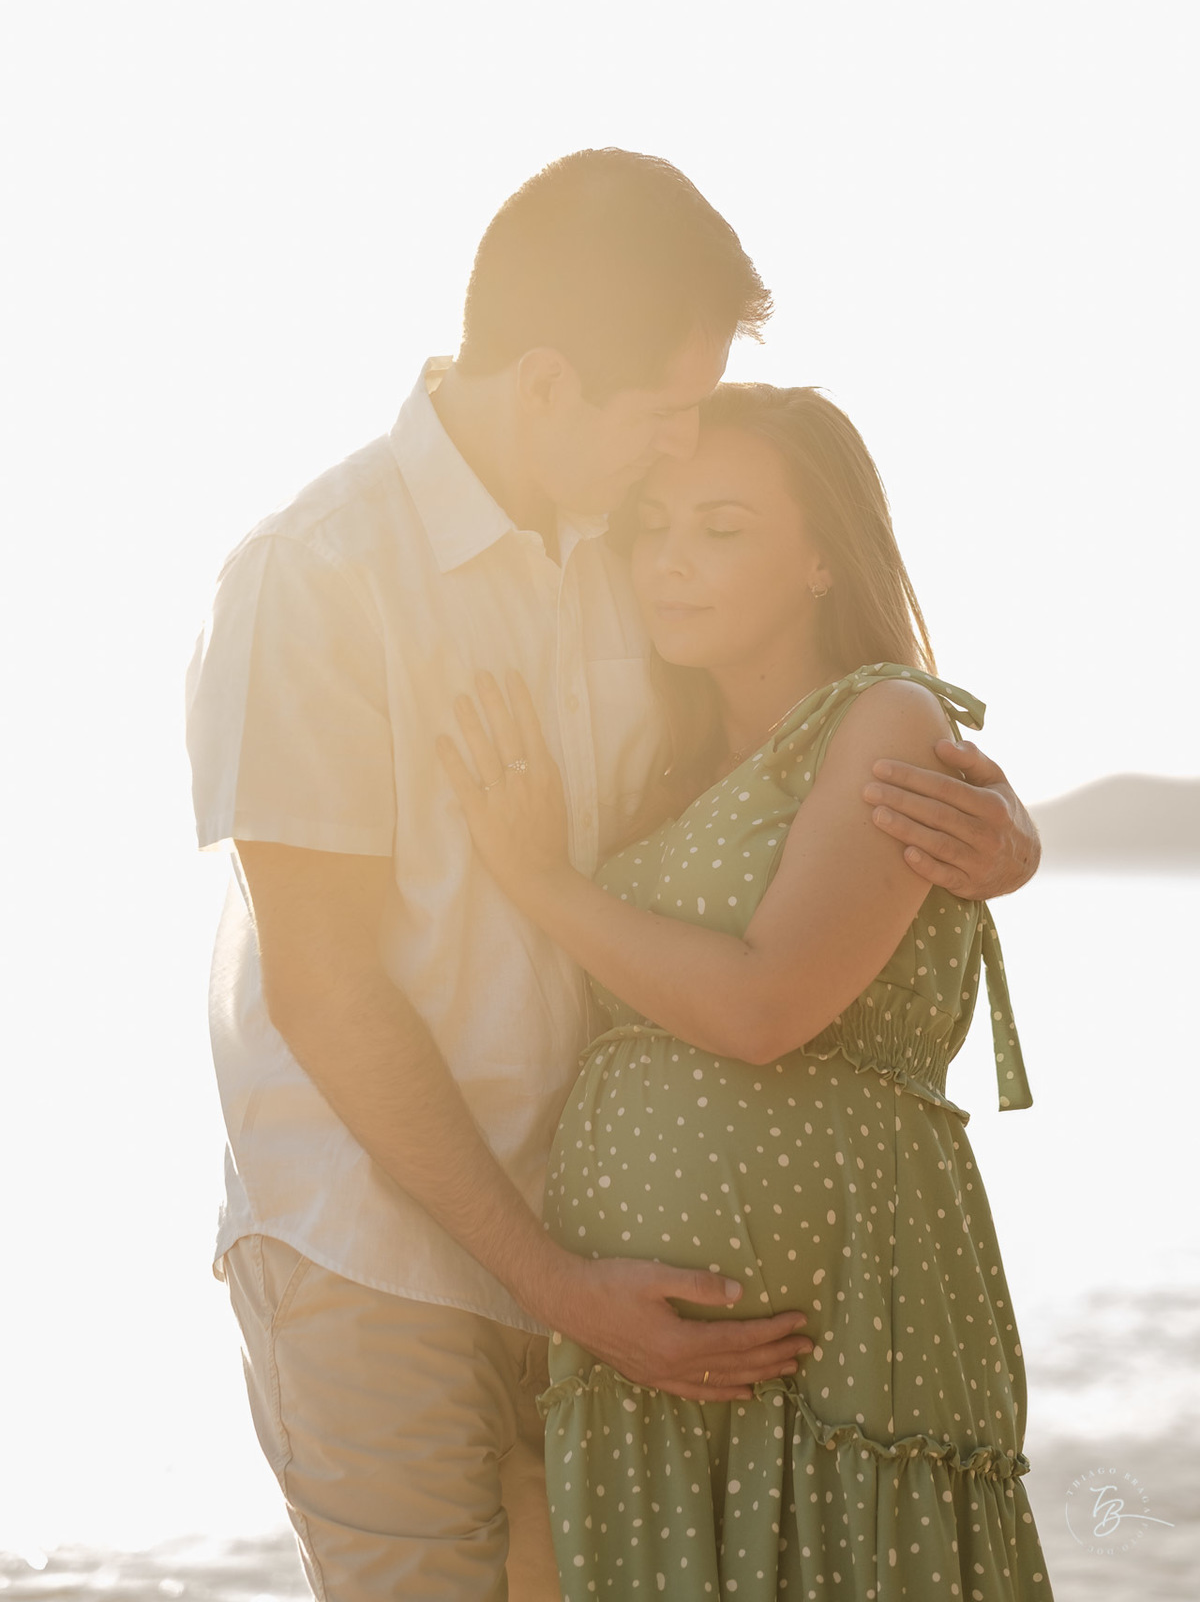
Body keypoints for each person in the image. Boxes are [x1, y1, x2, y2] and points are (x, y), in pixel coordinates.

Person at [186, 150, 1042, 1601]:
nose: (678, 456)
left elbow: (786, 761)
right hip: (383, 1262)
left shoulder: (622, 561)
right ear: (542, 387)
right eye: (663, 417)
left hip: (602, 1278)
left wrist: (989, 826)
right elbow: (321, 988)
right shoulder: (312, 578)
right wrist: (553, 1283)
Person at [438, 383, 1054, 1598]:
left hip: (840, 1339)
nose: (672, 564)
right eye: (652, 529)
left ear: (824, 556)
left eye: (721, 530)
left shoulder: (881, 716)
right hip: (644, 1371)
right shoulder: (661, 753)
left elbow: (765, 1010)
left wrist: (542, 882)